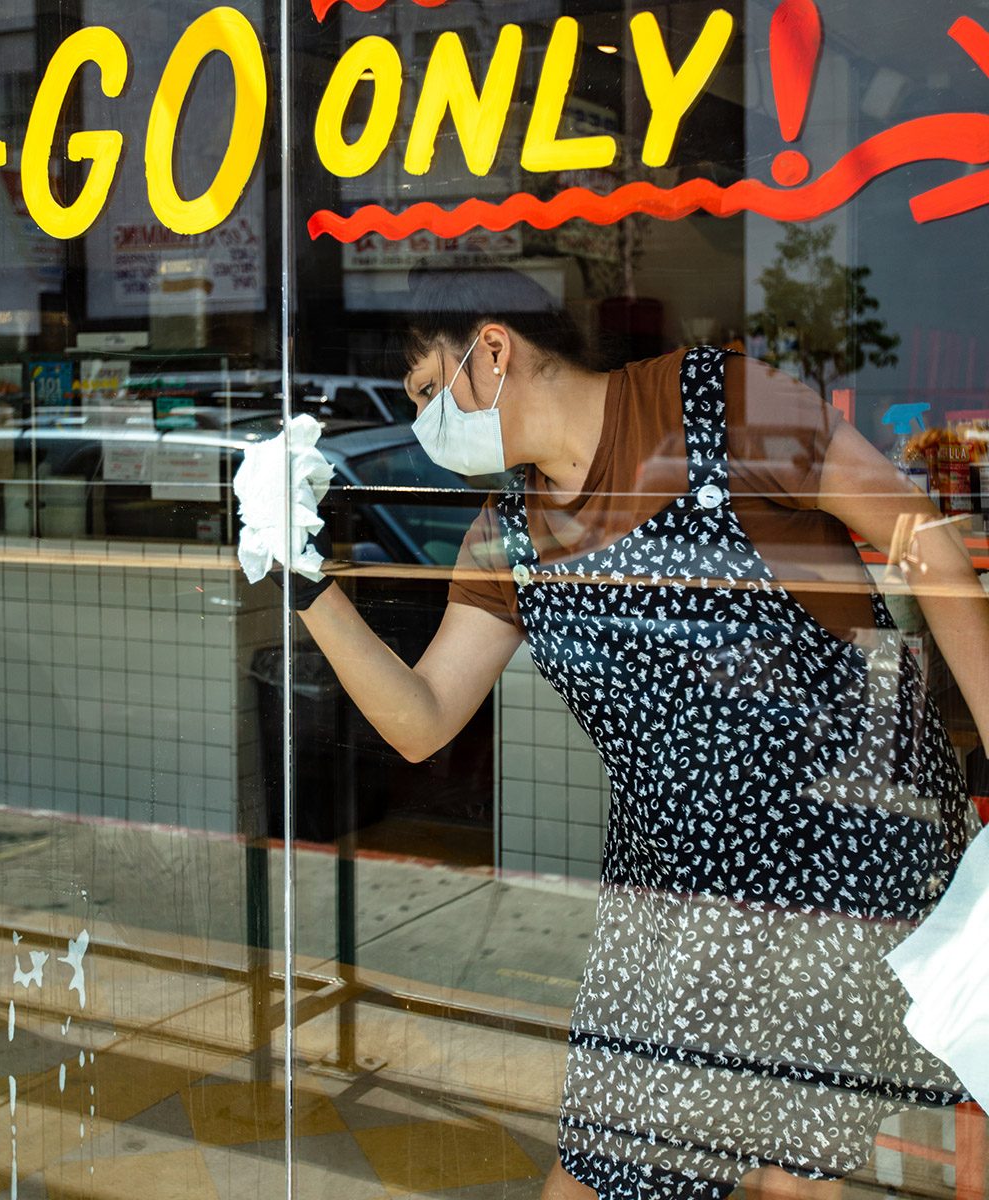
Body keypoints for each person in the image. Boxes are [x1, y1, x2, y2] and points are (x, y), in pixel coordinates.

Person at [267, 268, 989, 1200]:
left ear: (494, 351)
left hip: (841, 860)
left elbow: (924, 546)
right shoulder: (509, 530)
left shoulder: (719, 402)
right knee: (611, 1167)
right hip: (673, 894)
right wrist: (303, 582)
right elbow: (422, 719)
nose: (422, 422)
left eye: (427, 389)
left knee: (786, 1176)